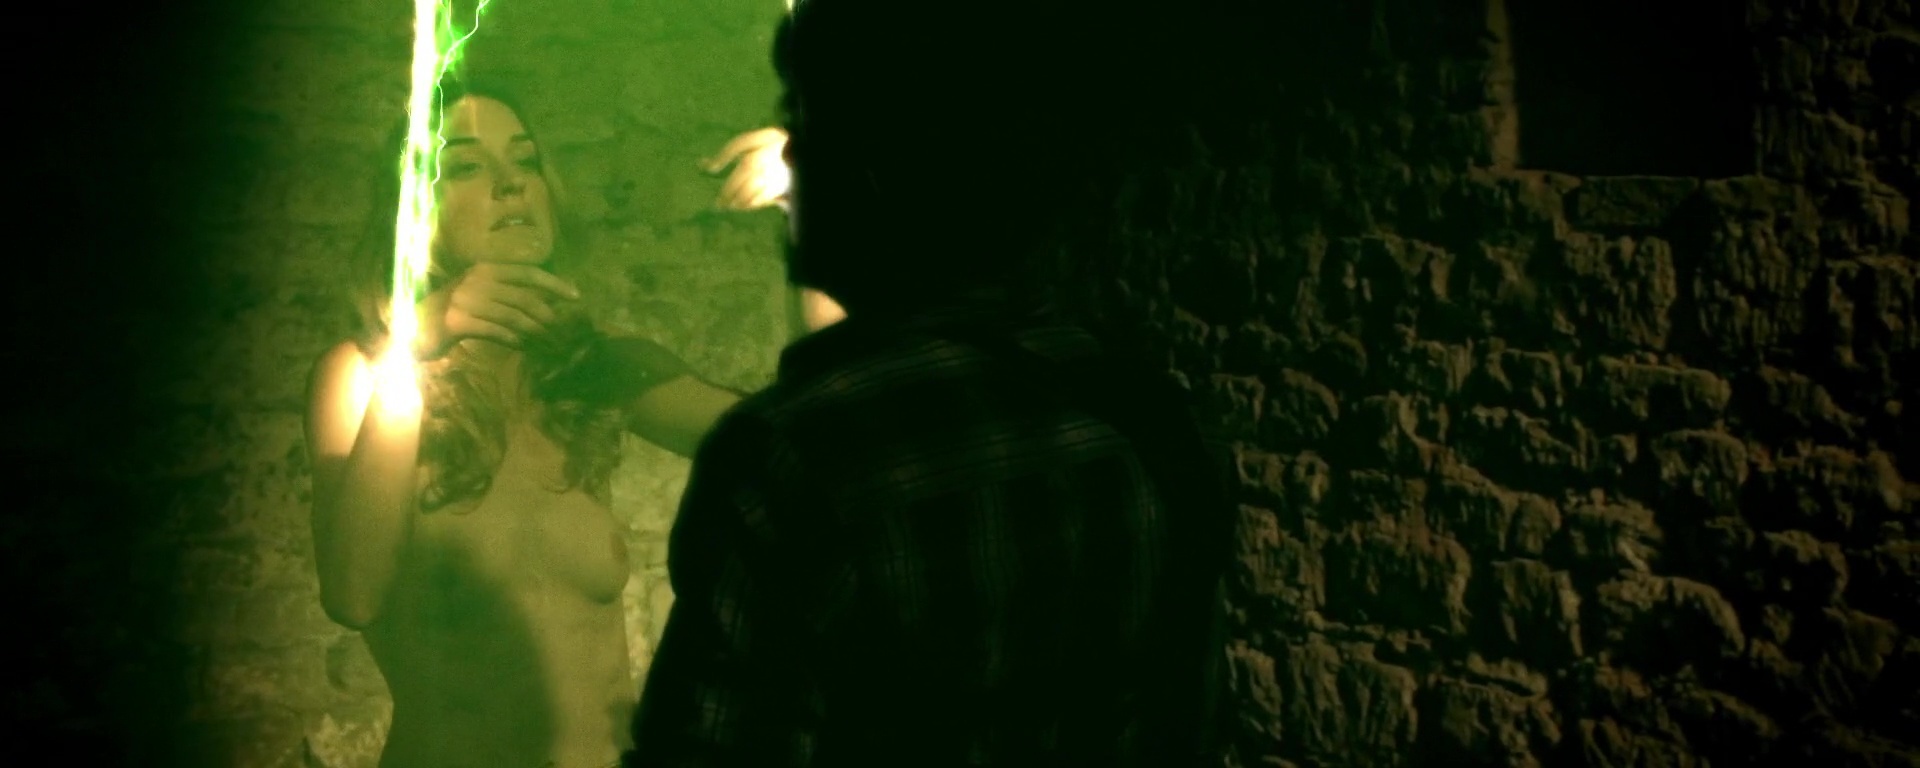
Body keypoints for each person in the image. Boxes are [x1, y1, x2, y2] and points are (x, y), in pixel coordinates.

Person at [623, 0, 1237, 765]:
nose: (789, 162)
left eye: (806, 126)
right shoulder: (1154, 415)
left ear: (874, 173)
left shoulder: (797, 460)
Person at [303, 76, 749, 768]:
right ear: (415, 211)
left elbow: (806, 439)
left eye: (526, 160)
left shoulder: (593, 367)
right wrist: (413, 344)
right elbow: (354, 594)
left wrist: (817, 213)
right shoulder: (366, 374)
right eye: (467, 167)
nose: (512, 184)